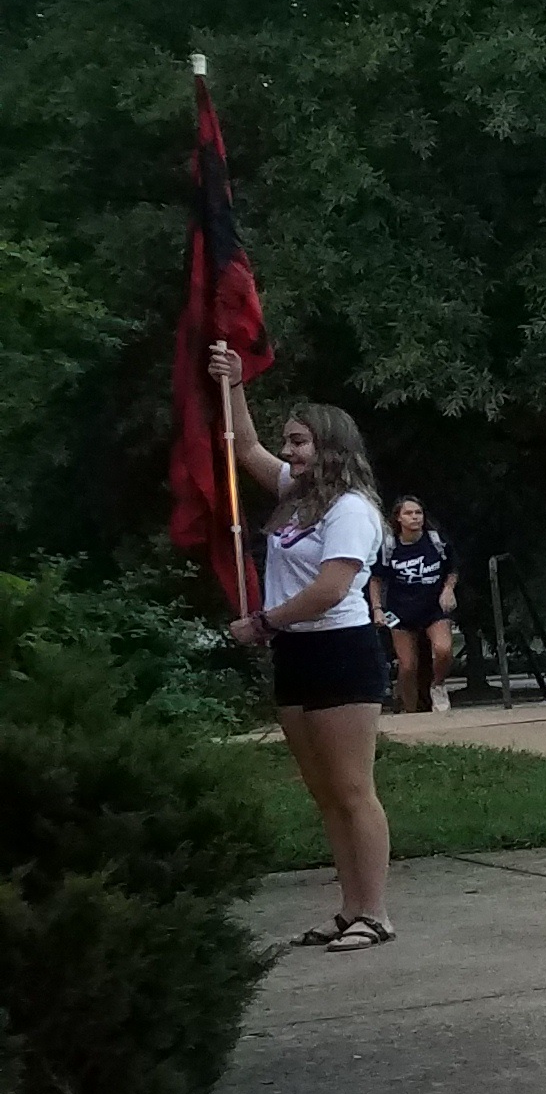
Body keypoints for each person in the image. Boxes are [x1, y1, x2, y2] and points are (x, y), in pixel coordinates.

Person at [211, 349, 395, 950]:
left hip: (340, 649)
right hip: (295, 652)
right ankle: (348, 908)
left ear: (331, 448)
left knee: (351, 788)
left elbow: (331, 589)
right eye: (288, 442)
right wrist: (234, 384)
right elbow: (243, 448)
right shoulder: (298, 495)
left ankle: (375, 912)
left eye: (299, 443)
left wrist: (261, 622)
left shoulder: (351, 510)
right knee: (323, 792)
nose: (288, 453)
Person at [376, 496, 459, 714]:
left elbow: (452, 569)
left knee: (443, 649)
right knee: (407, 666)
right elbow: (375, 579)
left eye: (418, 513)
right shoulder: (389, 546)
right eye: (409, 513)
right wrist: (377, 609)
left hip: (433, 608)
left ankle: (438, 685)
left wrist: (448, 588)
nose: (414, 517)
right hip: (399, 610)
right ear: (398, 518)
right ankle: (411, 712)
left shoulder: (436, 540)